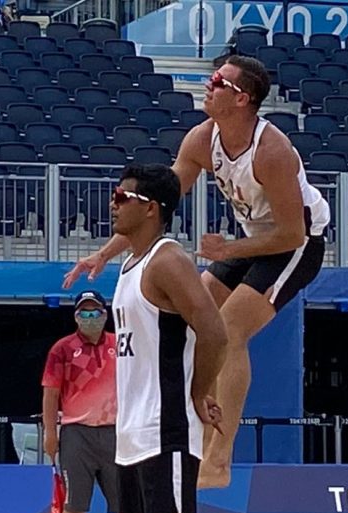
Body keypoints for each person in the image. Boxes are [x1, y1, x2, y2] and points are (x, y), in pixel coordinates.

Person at [64, 55, 330, 488]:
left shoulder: (271, 150)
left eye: (218, 81)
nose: (208, 85)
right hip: (252, 238)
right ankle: (185, 428)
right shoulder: (201, 139)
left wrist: (230, 247)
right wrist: (105, 254)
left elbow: (290, 234)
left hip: (297, 243)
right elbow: (154, 205)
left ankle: (218, 459)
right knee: (191, 321)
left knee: (228, 329)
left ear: (242, 99)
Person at [109, 163, 228, 513]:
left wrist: (199, 393)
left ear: (151, 209)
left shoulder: (167, 260)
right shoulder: (130, 265)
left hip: (166, 423)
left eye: (124, 197)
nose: (114, 202)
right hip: (133, 429)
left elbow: (214, 331)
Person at [41, 290, 142, 513]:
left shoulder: (120, 343)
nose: (90, 317)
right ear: (75, 316)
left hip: (115, 433)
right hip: (77, 434)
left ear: (105, 314)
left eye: (94, 312)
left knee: (127, 505)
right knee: (74, 504)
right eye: (84, 313)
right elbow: (50, 394)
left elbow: (137, 383)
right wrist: (50, 434)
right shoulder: (62, 349)